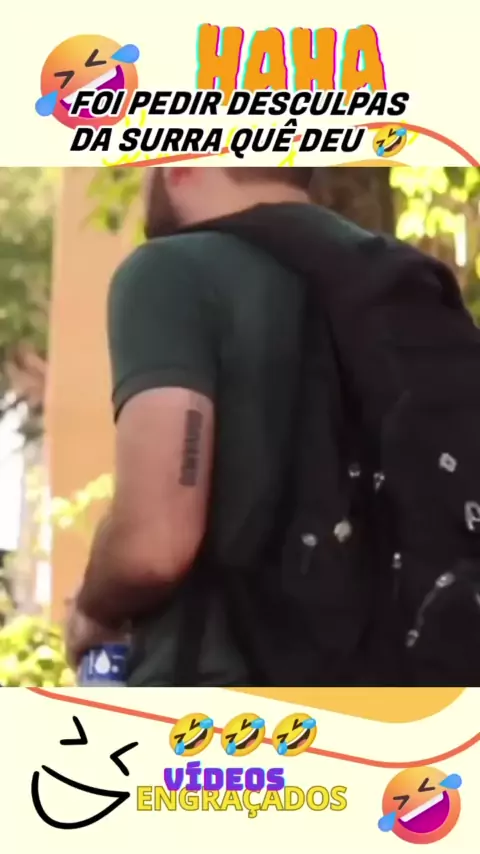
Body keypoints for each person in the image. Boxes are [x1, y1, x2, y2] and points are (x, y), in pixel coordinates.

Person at [66, 167, 317, 686]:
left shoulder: (173, 271)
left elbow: (155, 546)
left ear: (181, 163)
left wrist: (93, 607)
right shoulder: (401, 278)